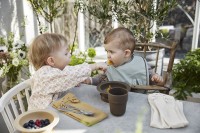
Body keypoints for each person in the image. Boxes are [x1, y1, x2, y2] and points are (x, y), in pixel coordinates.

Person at [28, 33, 107, 110]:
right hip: (40, 118)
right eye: (65, 53)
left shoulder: (55, 72)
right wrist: (94, 66)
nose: (69, 55)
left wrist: (80, 80)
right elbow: (71, 74)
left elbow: (67, 77)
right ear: (51, 60)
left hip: (52, 111)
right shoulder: (45, 75)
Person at [84, 27, 163, 87]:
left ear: (126, 53)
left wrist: (155, 77)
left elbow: (147, 75)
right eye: (106, 51)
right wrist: (90, 80)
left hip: (139, 99)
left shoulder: (140, 63)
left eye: (111, 52)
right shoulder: (108, 66)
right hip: (116, 101)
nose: (108, 55)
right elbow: (101, 79)